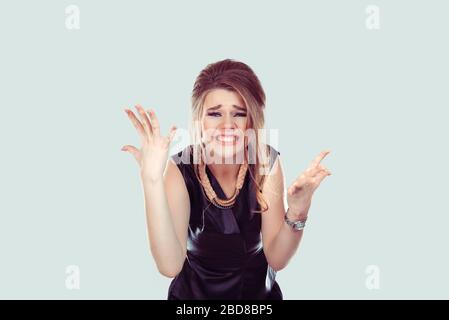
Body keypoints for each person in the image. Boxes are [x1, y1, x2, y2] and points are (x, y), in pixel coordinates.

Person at [121, 59, 332, 299]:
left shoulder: (266, 162)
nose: (227, 125)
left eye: (239, 114)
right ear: (200, 119)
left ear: (251, 120)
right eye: (215, 114)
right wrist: (151, 181)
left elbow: (277, 258)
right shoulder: (181, 168)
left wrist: (297, 210)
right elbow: (169, 266)